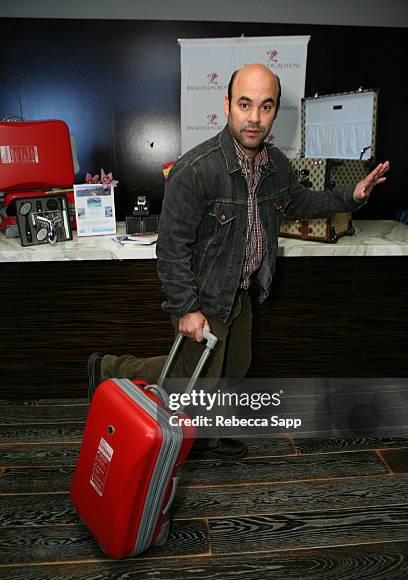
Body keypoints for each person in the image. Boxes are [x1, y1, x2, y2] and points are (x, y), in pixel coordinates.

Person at [88, 63, 389, 458]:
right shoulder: (194, 170)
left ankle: (208, 433)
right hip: (205, 295)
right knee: (186, 378)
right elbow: (171, 248)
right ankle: (109, 369)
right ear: (228, 105)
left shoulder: (276, 165)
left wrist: (352, 197)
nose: (254, 117)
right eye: (245, 104)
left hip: (242, 293)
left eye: (266, 107)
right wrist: (186, 308)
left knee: (236, 368)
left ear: (275, 111)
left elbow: (301, 201)